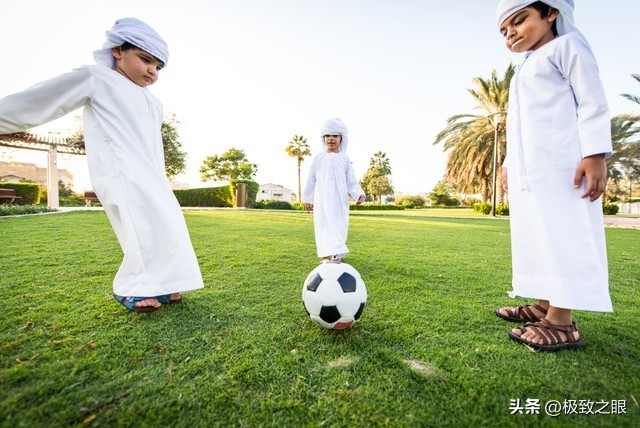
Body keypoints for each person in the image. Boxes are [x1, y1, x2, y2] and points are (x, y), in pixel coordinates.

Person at [0, 18, 204, 313]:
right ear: (118, 51)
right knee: (140, 224)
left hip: (151, 173)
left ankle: (163, 283)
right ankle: (133, 288)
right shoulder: (96, 78)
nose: (152, 71)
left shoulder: (153, 102)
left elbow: (154, 145)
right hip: (119, 170)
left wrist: (160, 177)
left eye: (158, 66)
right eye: (145, 60)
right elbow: (39, 100)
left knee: (168, 222)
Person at [494, 0, 613, 350]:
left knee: (562, 232)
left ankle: (561, 321)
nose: (511, 33)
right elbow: (517, 123)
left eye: (518, 21)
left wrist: (594, 154)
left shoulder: (568, 46)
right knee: (536, 234)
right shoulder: (526, 66)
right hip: (532, 171)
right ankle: (544, 304)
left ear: (551, 13)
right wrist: (507, 164)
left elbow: (593, 101)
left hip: (565, 167)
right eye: (504, 30)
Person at [302, 118, 365, 263]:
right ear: (323, 138)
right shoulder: (319, 158)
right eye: (328, 136)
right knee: (323, 226)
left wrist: (359, 194)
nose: (331, 139)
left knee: (338, 226)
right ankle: (326, 257)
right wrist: (307, 198)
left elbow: (351, 181)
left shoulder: (344, 158)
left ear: (341, 138)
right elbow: (311, 180)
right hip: (322, 200)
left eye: (335, 136)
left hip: (339, 201)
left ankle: (336, 255)